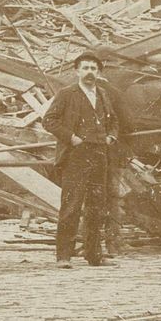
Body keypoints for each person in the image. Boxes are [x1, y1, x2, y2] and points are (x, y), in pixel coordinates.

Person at [43, 52, 124, 267]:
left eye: (93, 69)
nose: (89, 72)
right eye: (85, 68)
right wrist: (71, 138)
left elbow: (114, 121)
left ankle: (94, 255)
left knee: (97, 206)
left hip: (99, 156)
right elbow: (49, 120)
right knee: (71, 205)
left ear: (98, 72)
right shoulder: (66, 94)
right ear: (77, 71)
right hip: (76, 157)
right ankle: (64, 256)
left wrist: (111, 137)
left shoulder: (103, 95)